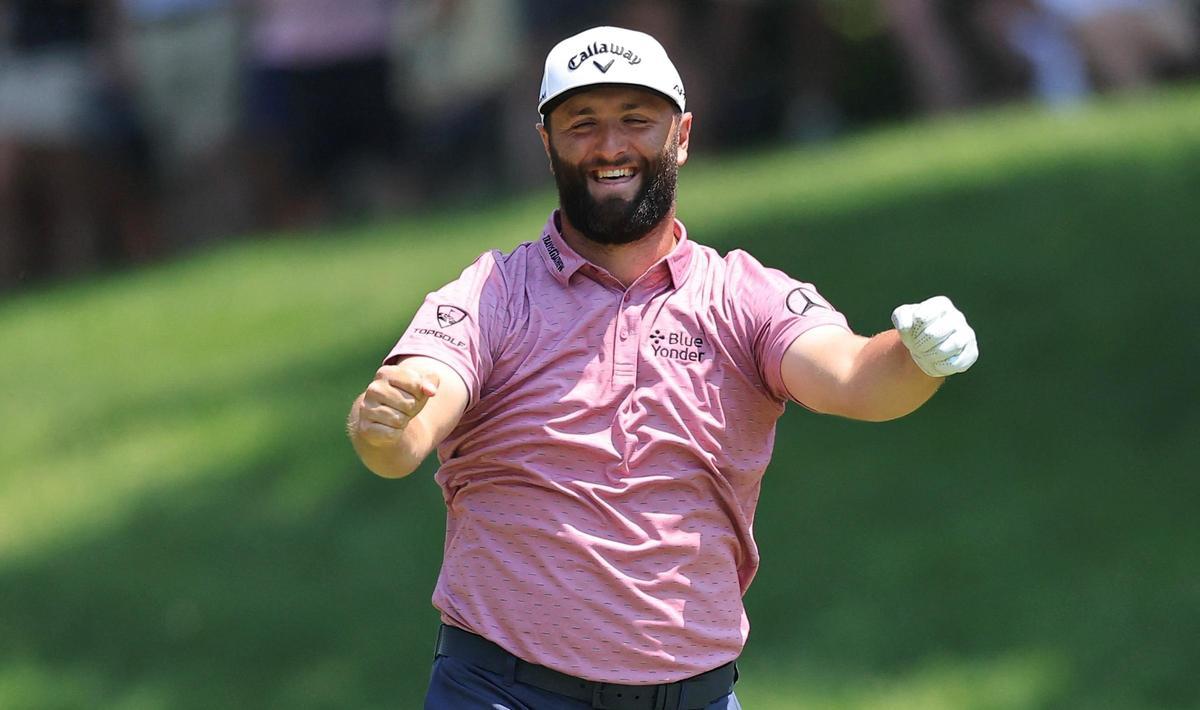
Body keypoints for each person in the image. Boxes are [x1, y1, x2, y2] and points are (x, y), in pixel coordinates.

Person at [347, 26, 979, 710]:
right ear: (547, 143)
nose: (610, 146)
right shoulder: (492, 294)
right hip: (505, 692)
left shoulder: (743, 296)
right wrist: (384, 426)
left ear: (681, 135)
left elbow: (856, 378)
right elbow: (407, 425)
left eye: (636, 121)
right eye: (582, 123)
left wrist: (916, 356)